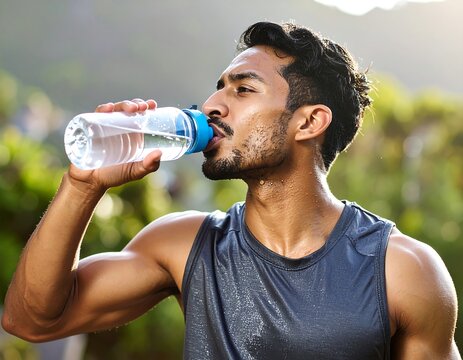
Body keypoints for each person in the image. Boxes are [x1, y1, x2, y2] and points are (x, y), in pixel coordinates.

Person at [2, 21, 460, 359]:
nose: (213, 105)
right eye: (218, 88)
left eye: (243, 90)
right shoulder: (182, 245)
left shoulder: (401, 270)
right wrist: (83, 185)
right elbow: (30, 320)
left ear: (309, 121)